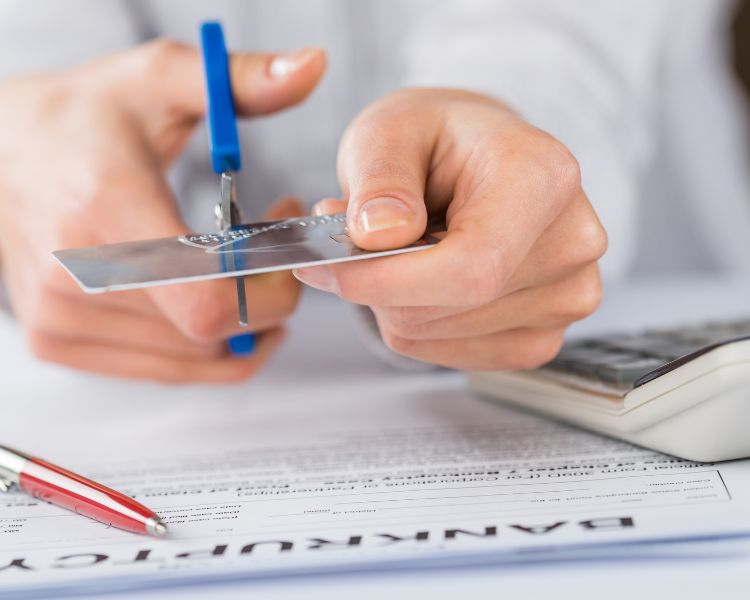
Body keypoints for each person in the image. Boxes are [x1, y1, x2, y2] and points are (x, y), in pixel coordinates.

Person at [0, 0, 747, 383]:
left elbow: (559, 39)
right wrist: (28, 129)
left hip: (640, 318)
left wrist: (507, 132)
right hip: (141, 399)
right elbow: (34, 62)